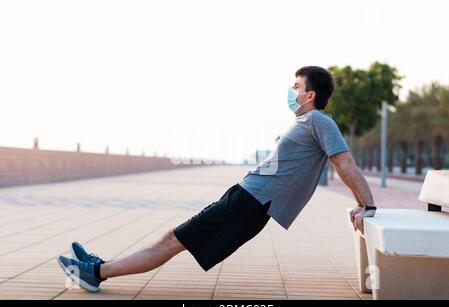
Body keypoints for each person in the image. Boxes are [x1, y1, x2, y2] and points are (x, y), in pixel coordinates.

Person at [56, 66, 376, 293]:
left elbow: (344, 162)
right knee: (173, 238)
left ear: (310, 95)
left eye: (296, 86)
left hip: (251, 201)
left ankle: (96, 273)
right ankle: (103, 266)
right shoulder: (307, 120)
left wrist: (367, 204)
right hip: (245, 196)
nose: (291, 91)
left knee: (173, 241)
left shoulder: (319, 120)